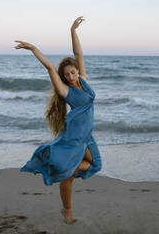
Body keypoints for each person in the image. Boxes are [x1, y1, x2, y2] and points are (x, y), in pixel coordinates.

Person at [14, 16, 102, 224]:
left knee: (94, 166)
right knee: (86, 168)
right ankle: (68, 209)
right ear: (64, 79)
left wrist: (73, 30)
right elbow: (50, 69)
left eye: (73, 72)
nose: (72, 77)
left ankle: (67, 182)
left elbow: (78, 53)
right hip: (74, 138)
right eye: (68, 75)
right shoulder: (66, 91)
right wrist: (34, 49)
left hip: (87, 137)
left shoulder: (84, 81)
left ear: (77, 71)